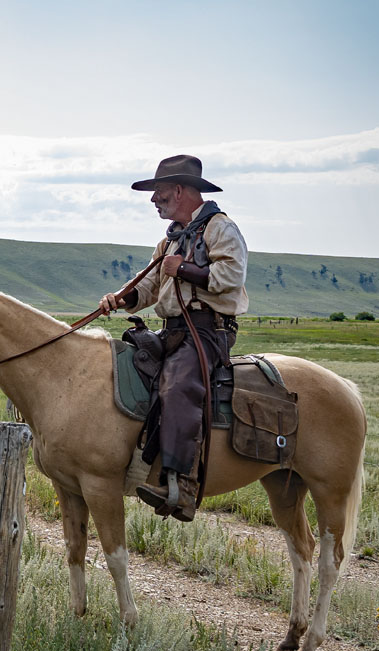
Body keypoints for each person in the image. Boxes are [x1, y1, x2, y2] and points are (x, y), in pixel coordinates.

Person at [99, 155, 248, 522]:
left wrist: (182, 268)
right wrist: (123, 298)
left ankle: (180, 484)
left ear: (179, 190)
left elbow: (232, 273)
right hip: (174, 331)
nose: (154, 200)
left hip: (207, 332)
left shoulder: (220, 227)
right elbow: (150, 284)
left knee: (179, 385)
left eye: (159, 192)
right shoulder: (170, 240)